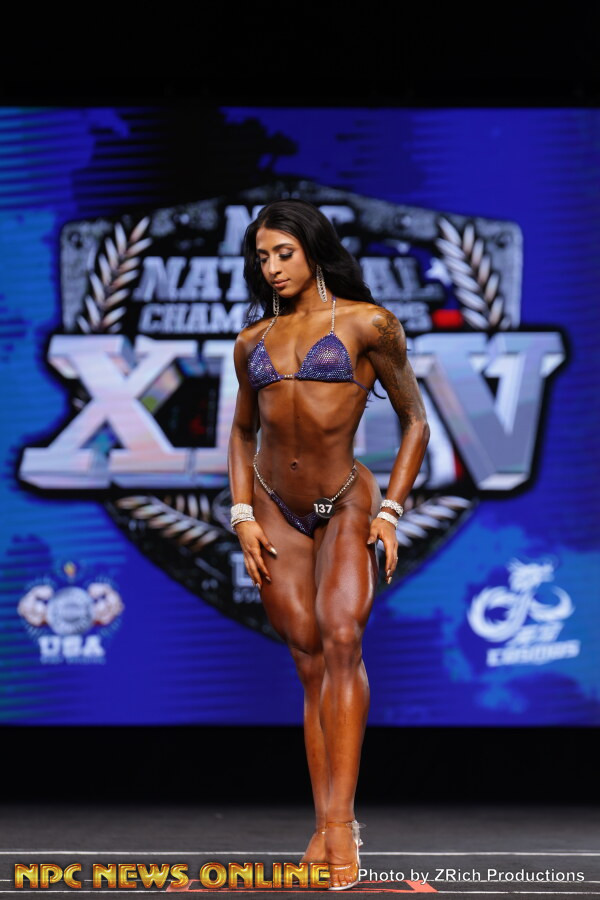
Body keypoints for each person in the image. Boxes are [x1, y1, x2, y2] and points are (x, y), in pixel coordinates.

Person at [228, 199, 430, 891]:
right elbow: (242, 433)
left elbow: (415, 421)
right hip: (274, 508)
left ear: (313, 249)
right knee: (310, 660)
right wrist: (242, 516)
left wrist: (391, 511)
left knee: (342, 638)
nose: (272, 267)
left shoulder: (370, 325)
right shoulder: (252, 341)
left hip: (343, 499)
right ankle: (322, 825)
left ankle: (343, 826)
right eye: (262, 257)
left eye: (283, 253)